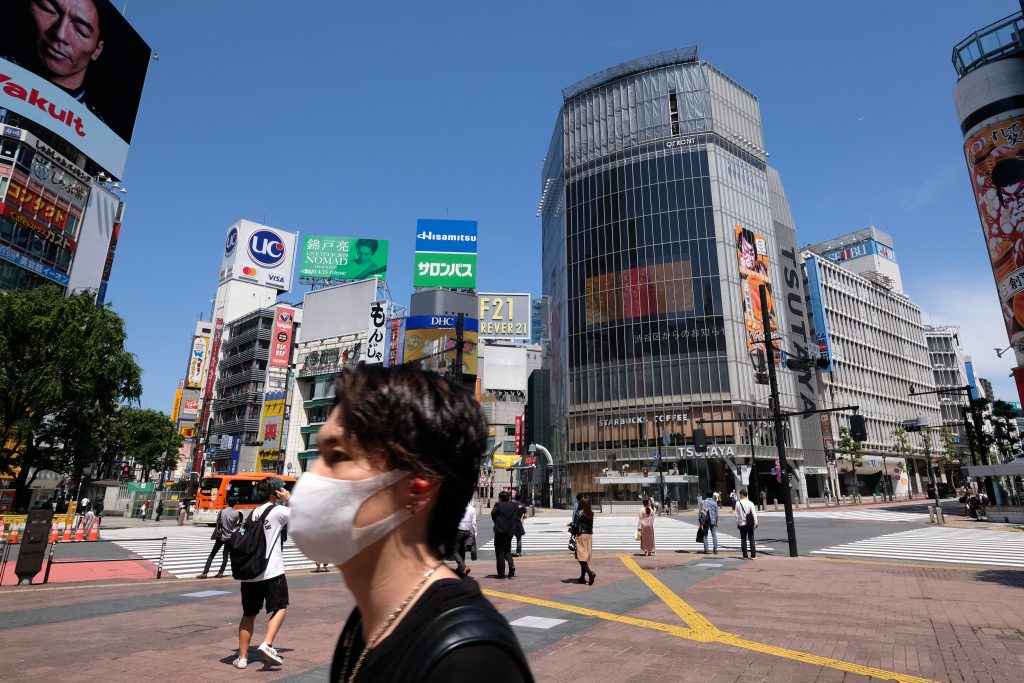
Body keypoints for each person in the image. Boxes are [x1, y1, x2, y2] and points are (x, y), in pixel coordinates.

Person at [286, 364, 533, 682]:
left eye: (338, 456)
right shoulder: (367, 620)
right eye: (318, 455)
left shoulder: (470, 660)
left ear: (418, 486)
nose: (311, 477)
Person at [234, 477, 291, 670]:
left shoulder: (253, 513)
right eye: (279, 489)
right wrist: (289, 499)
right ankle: (267, 643)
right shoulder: (279, 511)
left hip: (250, 573)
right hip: (272, 571)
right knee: (280, 606)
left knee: (248, 614)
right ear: (274, 492)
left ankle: (242, 658)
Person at [198, 496, 241, 579]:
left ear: (227, 503)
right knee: (225, 556)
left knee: (212, 554)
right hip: (229, 537)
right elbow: (236, 525)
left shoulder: (222, 512)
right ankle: (221, 572)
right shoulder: (236, 513)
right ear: (235, 504)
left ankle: (205, 572)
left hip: (220, 536)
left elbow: (218, 523)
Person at [491, 491, 519, 579]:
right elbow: (516, 517)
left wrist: (497, 521)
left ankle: (501, 574)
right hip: (510, 531)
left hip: (500, 530)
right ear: (508, 498)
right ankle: (511, 565)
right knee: (507, 550)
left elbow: (493, 513)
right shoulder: (513, 505)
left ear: (500, 497)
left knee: (499, 552)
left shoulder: (498, 505)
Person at [573, 497, 596, 585]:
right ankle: (582, 577)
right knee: (584, 557)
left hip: (581, 535)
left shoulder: (579, 513)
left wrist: (571, 531)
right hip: (589, 536)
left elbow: (575, 525)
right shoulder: (591, 513)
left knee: (580, 557)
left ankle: (590, 574)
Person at [453, 500, 477, 577]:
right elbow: (473, 523)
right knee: (462, 549)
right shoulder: (472, 509)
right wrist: (474, 533)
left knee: (454, 550)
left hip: (459, 531)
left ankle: (463, 567)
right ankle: (460, 570)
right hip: (468, 531)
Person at [734, 489, 758, 560]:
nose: (739, 496)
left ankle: (745, 555)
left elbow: (736, 515)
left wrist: (737, 523)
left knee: (743, 539)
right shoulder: (750, 503)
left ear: (742, 495)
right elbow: (754, 514)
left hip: (742, 524)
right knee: (751, 539)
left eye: (740, 494)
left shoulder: (738, 503)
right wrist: (755, 523)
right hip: (750, 524)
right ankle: (753, 555)